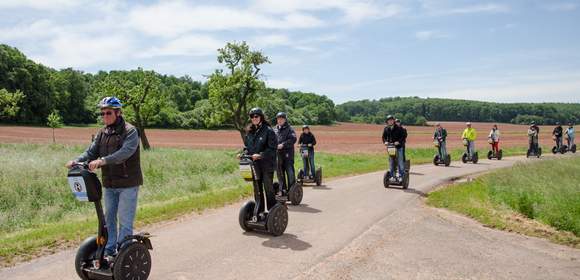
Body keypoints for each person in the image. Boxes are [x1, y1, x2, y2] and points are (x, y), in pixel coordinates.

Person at [65, 97, 142, 258]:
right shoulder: (102, 133)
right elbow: (90, 152)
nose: (104, 116)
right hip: (109, 183)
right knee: (108, 219)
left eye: (108, 113)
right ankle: (109, 250)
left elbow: (125, 153)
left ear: (118, 113)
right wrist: (77, 161)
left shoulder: (130, 131)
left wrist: (102, 161)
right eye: (102, 113)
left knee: (125, 220)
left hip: (128, 183)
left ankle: (123, 253)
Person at [243, 108, 277, 215]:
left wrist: (261, 155)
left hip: (267, 165)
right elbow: (247, 147)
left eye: (256, 116)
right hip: (254, 165)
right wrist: (243, 154)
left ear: (261, 117)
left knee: (268, 188)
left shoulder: (268, 131)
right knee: (257, 189)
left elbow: (272, 149)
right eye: (252, 117)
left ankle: (272, 213)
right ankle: (260, 212)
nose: (254, 118)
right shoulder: (249, 132)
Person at [274, 112, 297, 195]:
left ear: (285, 119)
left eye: (281, 118)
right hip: (278, 155)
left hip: (288, 155)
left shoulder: (290, 129)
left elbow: (293, 139)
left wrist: (283, 145)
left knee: (289, 172)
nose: (279, 120)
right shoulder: (275, 129)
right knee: (280, 173)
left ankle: (292, 191)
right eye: (278, 119)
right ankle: (283, 191)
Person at [382, 115, 405, 181]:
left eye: (391, 120)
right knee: (391, 162)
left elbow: (403, 137)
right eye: (389, 120)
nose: (390, 121)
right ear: (387, 122)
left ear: (393, 121)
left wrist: (398, 141)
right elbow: (383, 137)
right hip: (390, 148)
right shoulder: (386, 128)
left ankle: (401, 176)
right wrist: (385, 142)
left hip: (399, 147)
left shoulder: (399, 128)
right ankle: (393, 176)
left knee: (400, 162)